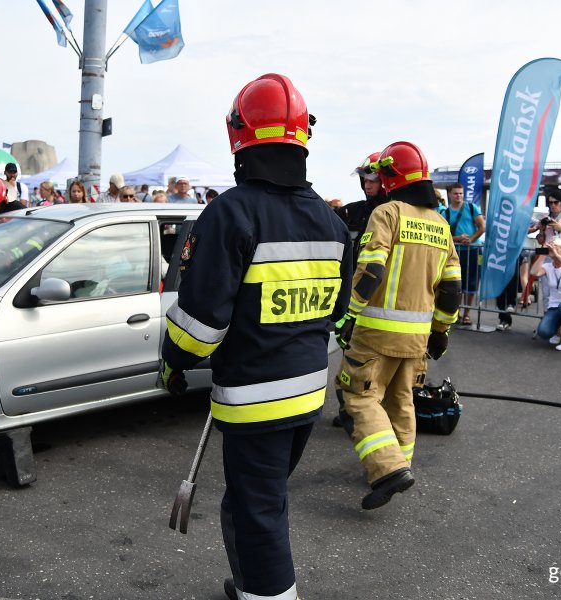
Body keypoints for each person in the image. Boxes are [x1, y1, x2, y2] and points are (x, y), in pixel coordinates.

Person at [159, 73, 352, 600]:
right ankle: (252, 585)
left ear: (239, 134)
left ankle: (268, 594)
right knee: (262, 502)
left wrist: (172, 361)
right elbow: (336, 312)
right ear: (301, 136)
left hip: (253, 402)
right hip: (310, 393)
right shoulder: (332, 224)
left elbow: (199, 325)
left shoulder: (232, 213)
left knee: (257, 511)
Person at [334, 141, 461, 511]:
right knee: (400, 400)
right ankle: (398, 464)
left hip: (375, 331)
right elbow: (452, 288)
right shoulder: (440, 223)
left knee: (358, 396)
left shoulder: (388, 212)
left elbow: (370, 268)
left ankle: (387, 469)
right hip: (418, 337)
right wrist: (440, 332)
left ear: (391, 177)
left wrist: (350, 315)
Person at [331, 151, 390, 432]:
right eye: (365, 178)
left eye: (374, 179)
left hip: (380, 298)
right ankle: (347, 408)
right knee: (349, 355)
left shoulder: (393, 213)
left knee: (376, 362)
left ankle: (372, 413)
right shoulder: (351, 212)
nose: (368, 184)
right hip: (353, 294)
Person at [439, 182, 484, 325]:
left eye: (461, 193)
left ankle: (467, 314)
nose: (459, 196)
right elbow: (442, 234)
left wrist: (471, 239)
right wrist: (458, 239)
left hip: (473, 251)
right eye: (456, 193)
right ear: (450, 194)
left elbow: (482, 227)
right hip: (455, 252)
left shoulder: (472, 208)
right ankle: (455, 312)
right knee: (455, 284)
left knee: (471, 284)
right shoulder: (445, 213)